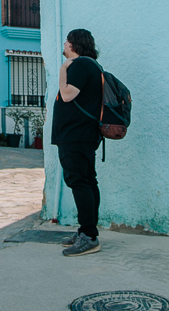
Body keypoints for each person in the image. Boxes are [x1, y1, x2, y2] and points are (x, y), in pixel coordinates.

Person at [53, 28, 103, 256]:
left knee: (79, 181)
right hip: (82, 135)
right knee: (87, 181)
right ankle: (87, 230)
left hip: (76, 136)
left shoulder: (80, 65)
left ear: (73, 44)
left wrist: (64, 68)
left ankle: (89, 237)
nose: (64, 45)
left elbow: (67, 94)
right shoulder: (91, 66)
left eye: (66, 41)